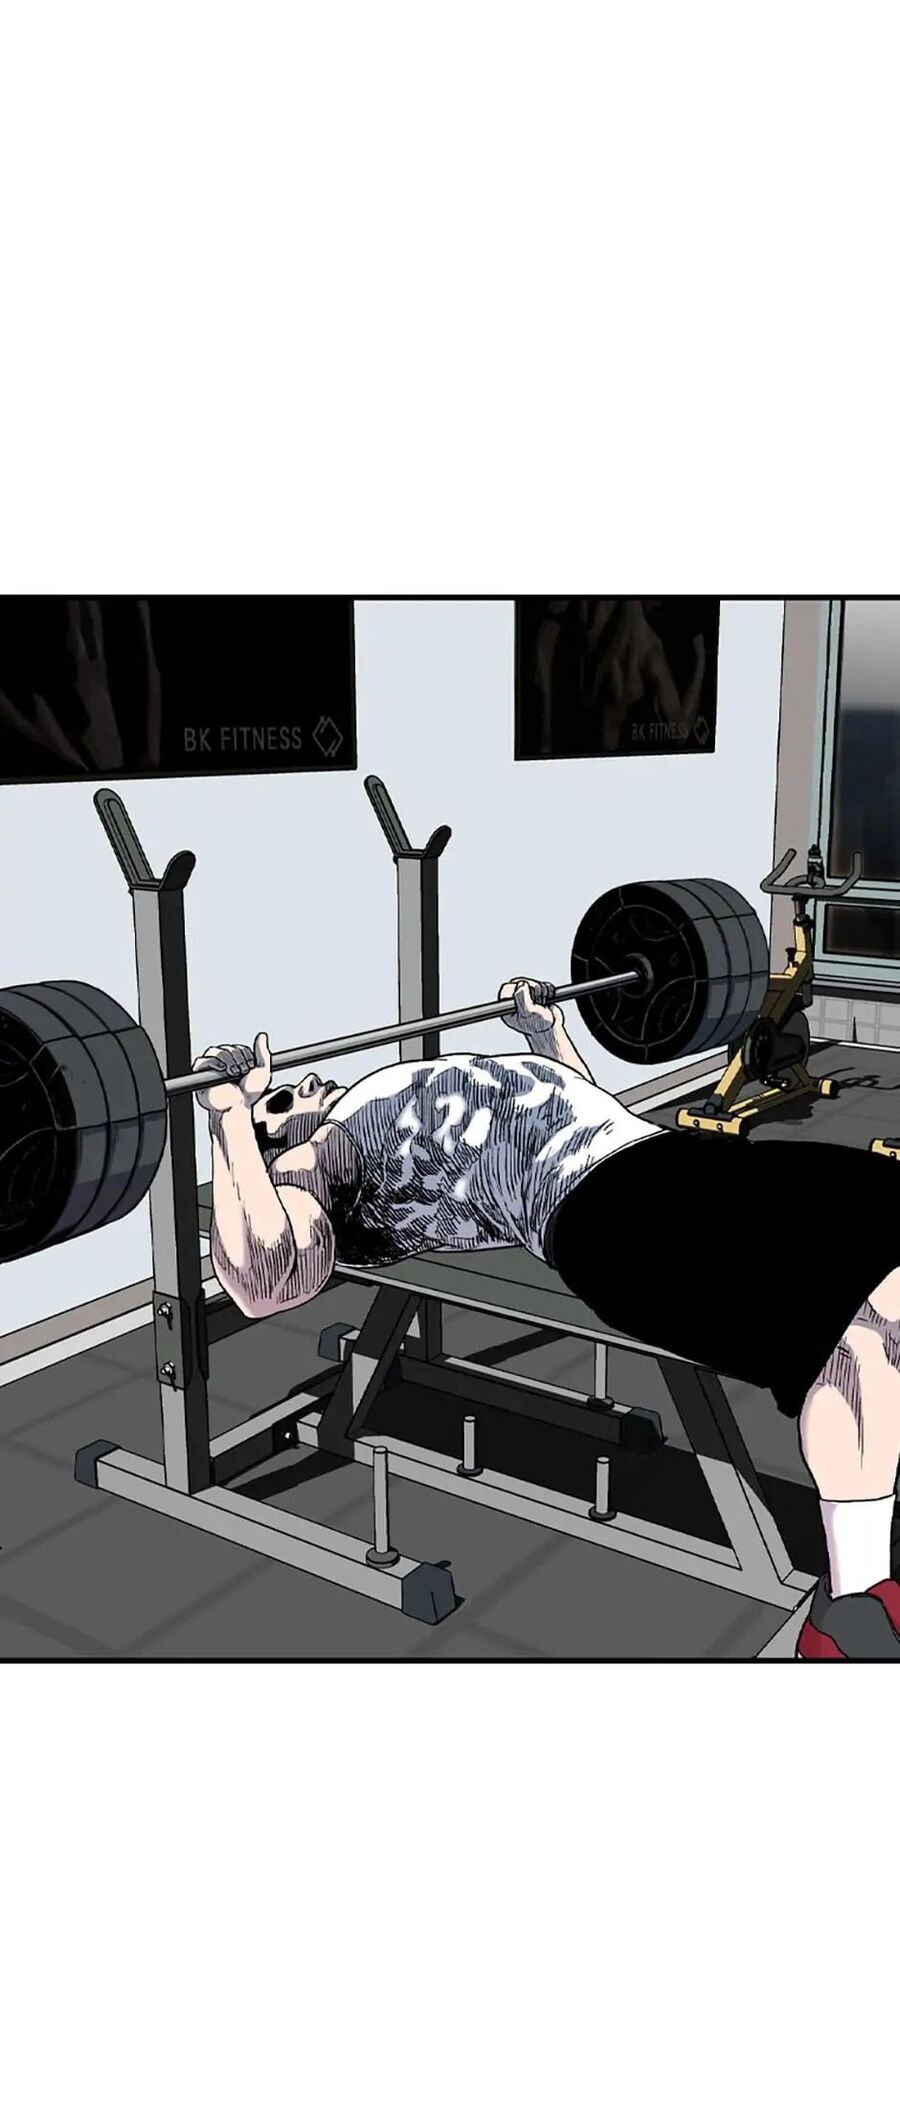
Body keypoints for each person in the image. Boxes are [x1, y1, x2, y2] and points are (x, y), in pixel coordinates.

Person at [195, 979, 900, 1661]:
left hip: (659, 1154)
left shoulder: (355, 1113)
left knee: (882, 1290)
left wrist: (547, 1037)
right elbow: (268, 1281)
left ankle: (864, 1576)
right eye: (281, 1101)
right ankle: (851, 1610)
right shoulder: (313, 1162)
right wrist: (228, 1118)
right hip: (613, 1212)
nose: (305, 1083)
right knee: (849, 1331)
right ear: (269, 1150)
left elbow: (581, 1112)